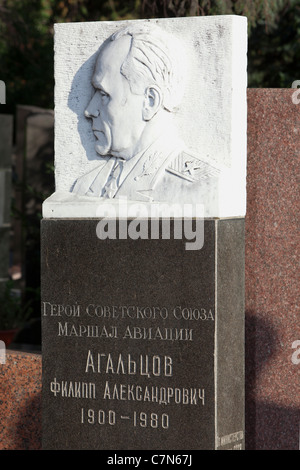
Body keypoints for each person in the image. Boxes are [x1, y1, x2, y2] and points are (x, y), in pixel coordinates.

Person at [72, 23, 219, 205]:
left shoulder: (203, 187)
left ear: (150, 101)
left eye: (103, 94)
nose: (89, 110)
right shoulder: (84, 187)